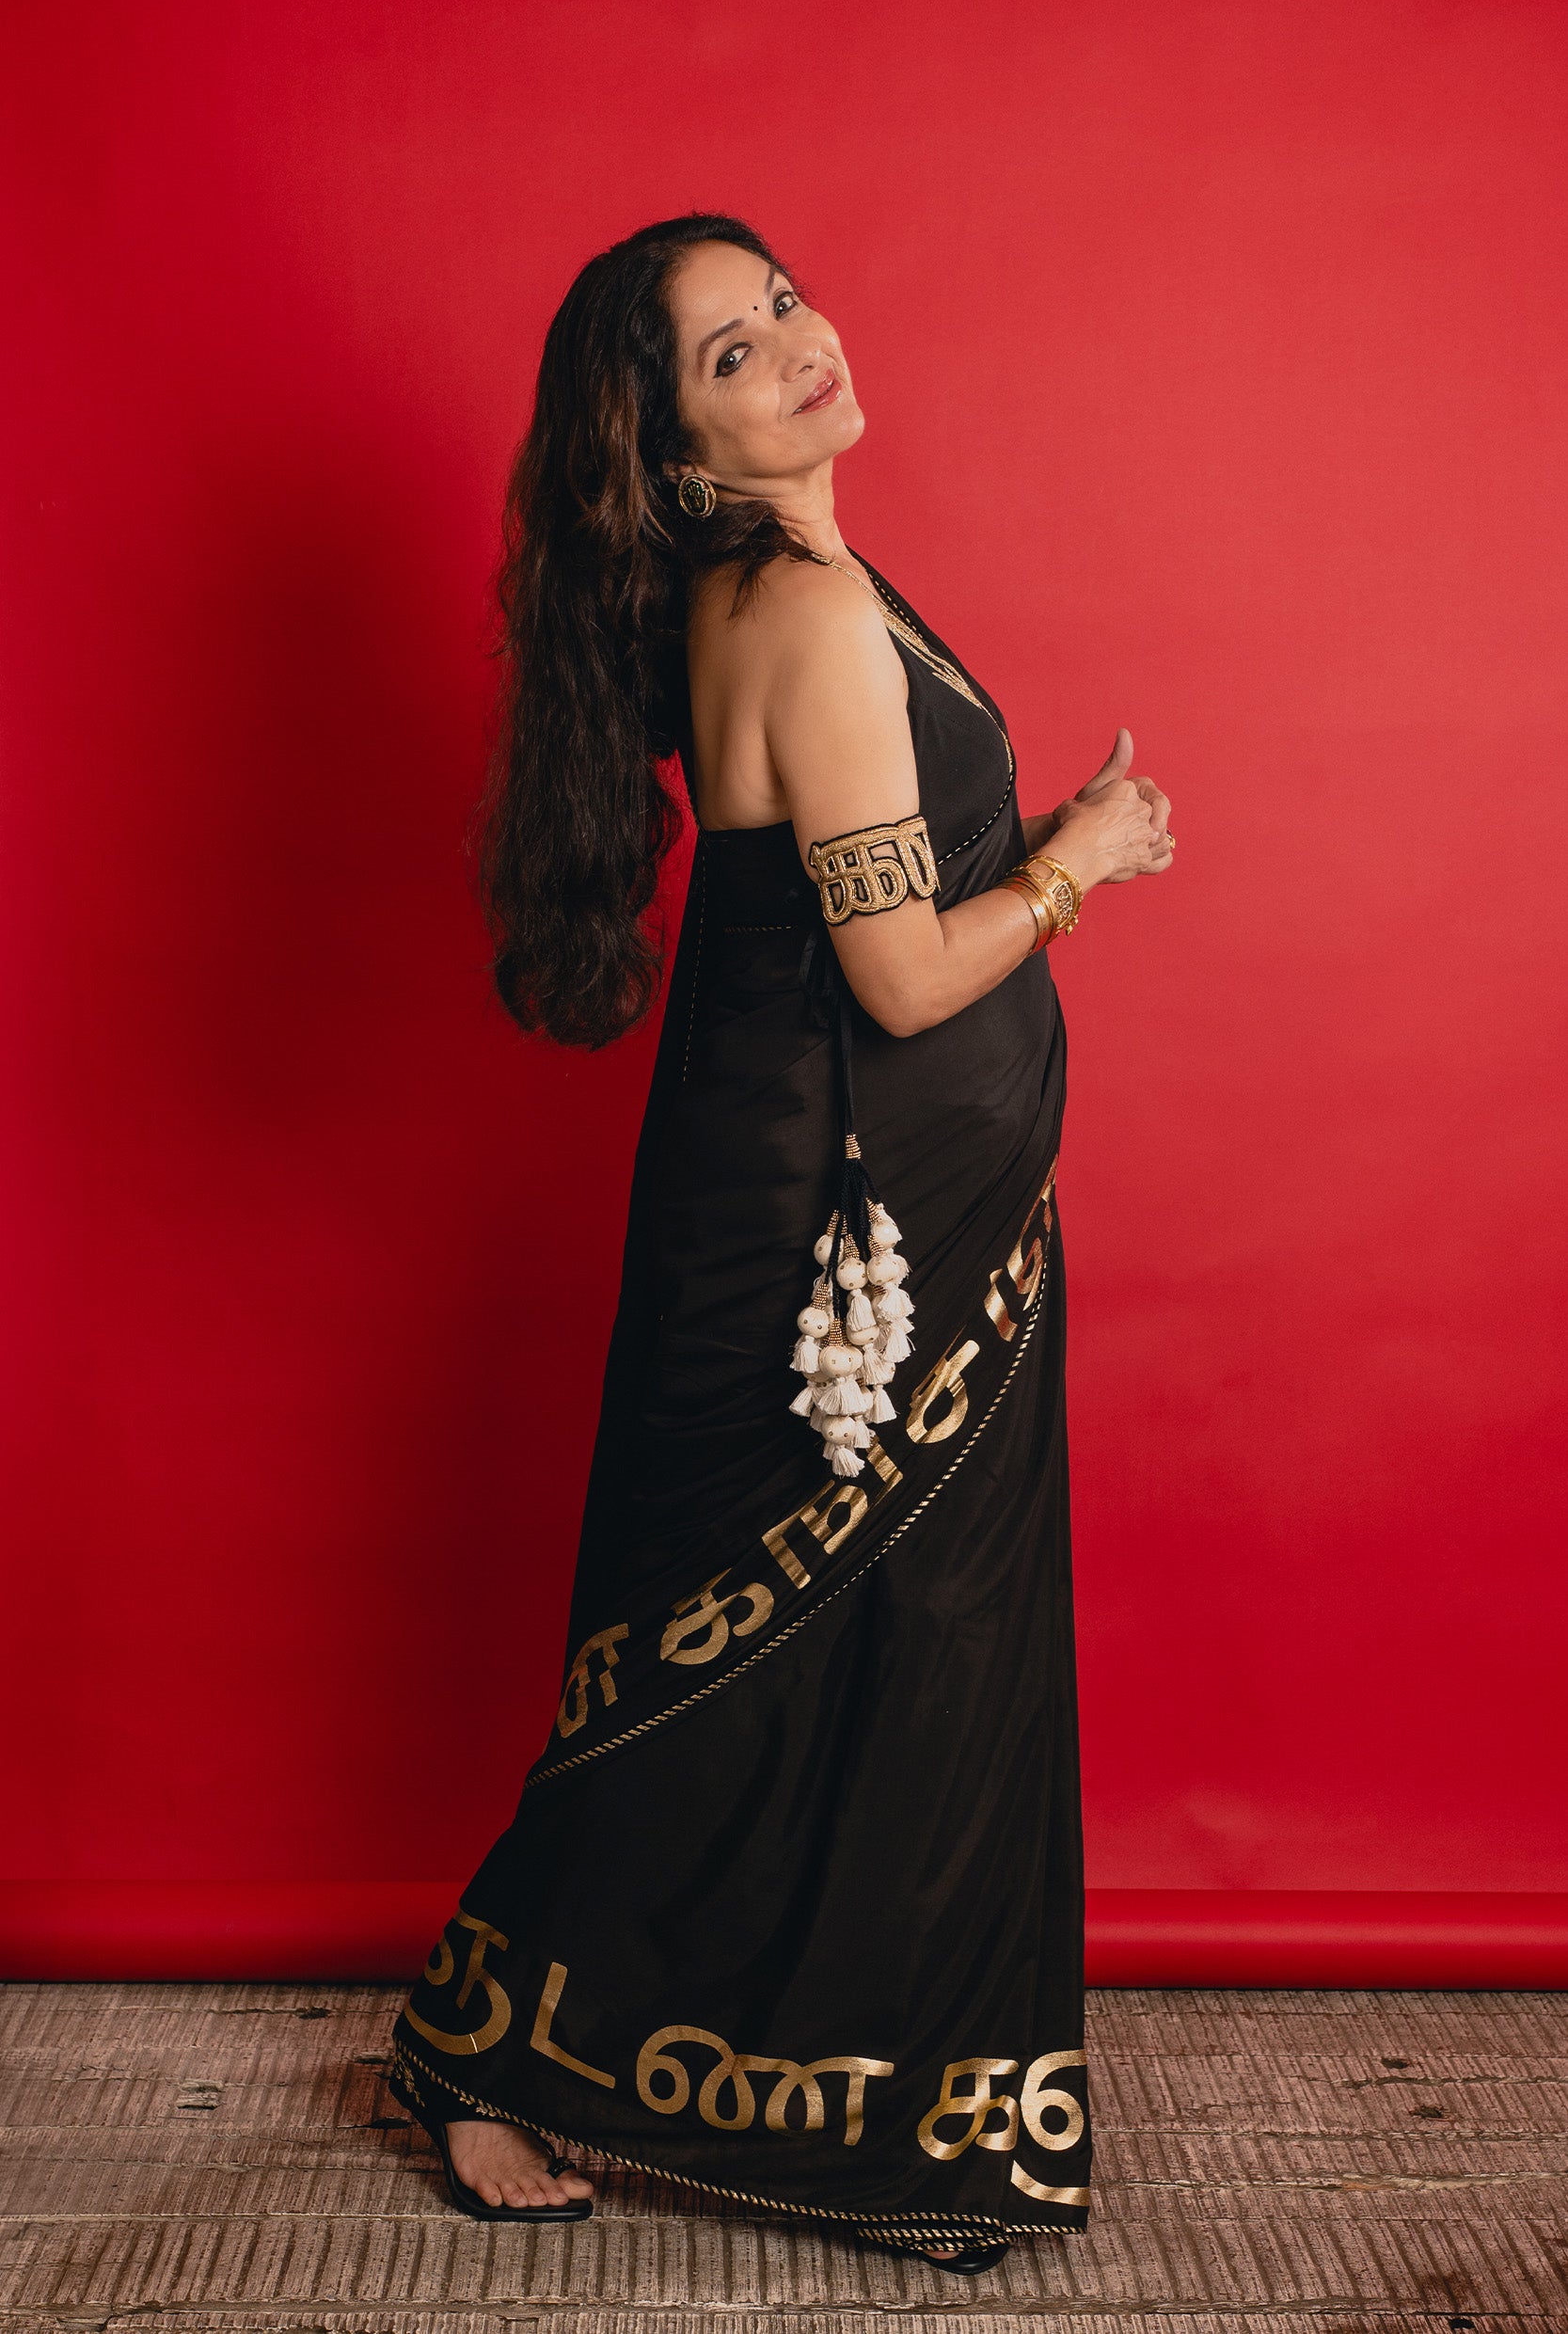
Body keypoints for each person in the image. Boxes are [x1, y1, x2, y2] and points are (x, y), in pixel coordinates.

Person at [387, 213, 1172, 2275]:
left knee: (880, 1649)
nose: (799, 344)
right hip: (842, 1234)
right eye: (732, 351)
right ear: (674, 447)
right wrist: (1081, 865)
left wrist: (1027, 878)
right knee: (742, 1660)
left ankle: (891, 2091)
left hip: (886, 1209)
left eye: (785, 301)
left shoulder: (787, 582)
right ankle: (488, 2053)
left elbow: (854, 923)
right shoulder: (803, 610)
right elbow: (897, 978)